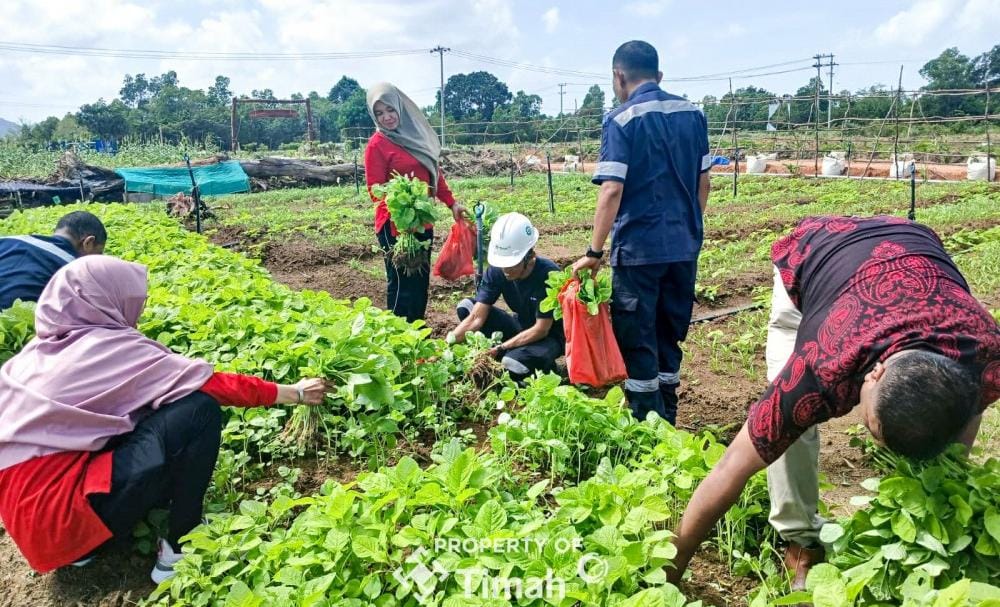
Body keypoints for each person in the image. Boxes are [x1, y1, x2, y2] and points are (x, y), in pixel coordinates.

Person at [667, 215, 1000, 588]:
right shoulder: (818, 369)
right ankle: (800, 539)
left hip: (913, 242)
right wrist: (669, 571)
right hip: (815, 252)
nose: (873, 439)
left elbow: (971, 410)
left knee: (942, 439)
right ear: (874, 374)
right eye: (874, 429)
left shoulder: (986, 354)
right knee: (790, 432)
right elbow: (731, 468)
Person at [0, 256, 328, 583]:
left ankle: (85, 552)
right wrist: (295, 392)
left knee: (150, 415)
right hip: (63, 519)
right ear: (104, 300)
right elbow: (210, 386)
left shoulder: (34, 356)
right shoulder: (105, 348)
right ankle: (179, 546)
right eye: (130, 302)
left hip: (31, 523)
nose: (137, 313)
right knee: (198, 411)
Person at [572, 40, 711, 425]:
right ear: (659, 75)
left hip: (639, 251)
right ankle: (668, 414)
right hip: (684, 248)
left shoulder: (622, 119)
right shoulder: (692, 114)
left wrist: (594, 252)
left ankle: (647, 425)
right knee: (670, 331)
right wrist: (690, 227)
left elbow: (612, 189)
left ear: (619, 76)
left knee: (638, 336)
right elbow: (703, 183)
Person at [365, 82, 465, 323]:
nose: (387, 117)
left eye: (390, 110)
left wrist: (451, 203)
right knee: (401, 284)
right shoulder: (376, 145)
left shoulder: (416, 137)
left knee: (420, 283)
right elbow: (375, 191)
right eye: (379, 113)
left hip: (422, 223)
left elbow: (433, 173)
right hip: (394, 227)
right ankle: (399, 335)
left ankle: (418, 333)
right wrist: (403, 208)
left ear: (400, 107)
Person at [448, 213, 564, 381]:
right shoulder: (498, 269)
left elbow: (541, 329)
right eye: (502, 263)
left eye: (511, 264)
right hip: (521, 325)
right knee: (466, 306)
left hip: (549, 336)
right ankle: (518, 354)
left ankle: (546, 367)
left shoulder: (548, 275)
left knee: (510, 362)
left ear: (529, 256)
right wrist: (446, 347)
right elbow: (476, 318)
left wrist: (501, 348)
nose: (505, 270)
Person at [0, 210, 107, 310]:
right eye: (98, 253)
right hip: (18, 324)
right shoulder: (76, 271)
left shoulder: (8, 240)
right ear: (88, 242)